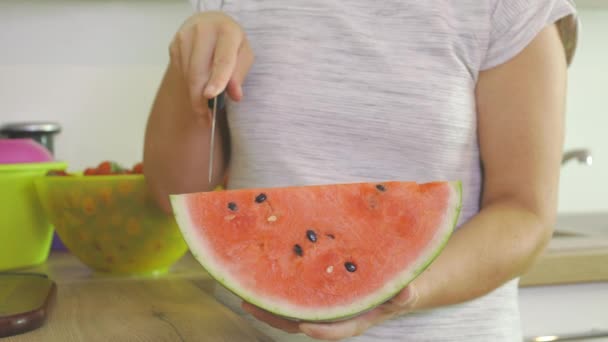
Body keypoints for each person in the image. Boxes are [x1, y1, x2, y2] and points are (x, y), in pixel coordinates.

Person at [143, 0, 579, 340]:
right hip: (248, 335)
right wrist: (195, 81)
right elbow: (172, 193)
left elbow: (524, 213)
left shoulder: (508, 8)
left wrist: (400, 292)